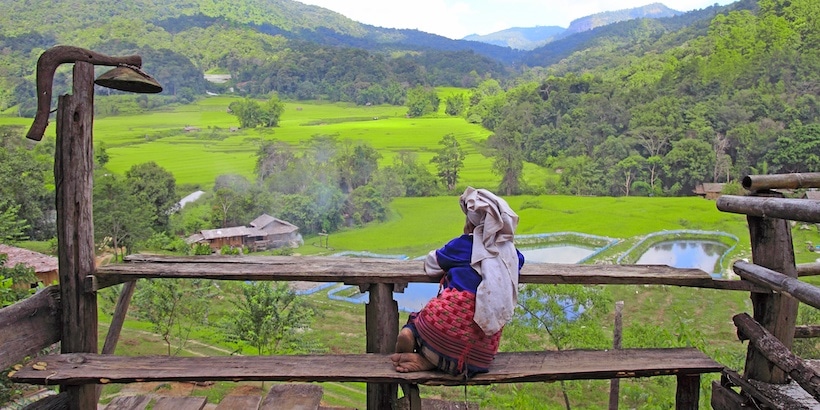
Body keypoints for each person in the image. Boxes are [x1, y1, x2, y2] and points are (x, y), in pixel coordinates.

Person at [390, 187, 525, 378]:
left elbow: (432, 263)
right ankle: (435, 361)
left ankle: (421, 352)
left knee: (417, 320)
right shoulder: (511, 255)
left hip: (443, 328)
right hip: (479, 355)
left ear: (470, 223)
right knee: (474, 350)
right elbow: (518, 263)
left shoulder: (461, 245)